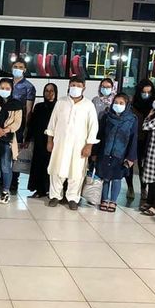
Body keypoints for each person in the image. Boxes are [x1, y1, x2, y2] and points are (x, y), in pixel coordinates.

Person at [46, 76, 99, 210]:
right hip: (60, 144)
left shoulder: (88, 105)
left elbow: (93, 127)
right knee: (57, 170)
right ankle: (55, 196)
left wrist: (89, 146)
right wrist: (50, 141)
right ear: (69, 86)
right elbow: (52, 123)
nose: (75, 88)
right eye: (73, 85)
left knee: (76, 172)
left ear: (84, 88)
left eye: (79, 86)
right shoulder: (61, 102)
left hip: (79, 146)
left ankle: (73, 198)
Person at [95, 93, 138, 212]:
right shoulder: (106, 117)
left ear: (127, 105)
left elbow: (133, 139)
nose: (118, 105)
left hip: (121, 154)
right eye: (116, 102)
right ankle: (104, 200)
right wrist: (95, 152)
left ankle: (113, 201)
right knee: (105, 177)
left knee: (116, 178)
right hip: (105, 152)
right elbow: (100, 135)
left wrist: (131, 157)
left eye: (121, 103)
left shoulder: (132, 119)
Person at [0, 78, 23, 204]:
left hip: (7, 141)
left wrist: (3, 131)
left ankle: (5, 192)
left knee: (6, 168)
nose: (4, 90)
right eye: (2, 88)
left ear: (12, 90)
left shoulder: (17, 105)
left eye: (7, 88)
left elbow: (17, 123)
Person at [128, 79, 155, 204]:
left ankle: (143, 188)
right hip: (133, 138)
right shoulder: (132, 105)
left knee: (143, 166)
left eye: (149, 92)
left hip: (146, 140)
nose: (146, 95)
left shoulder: (154, 106)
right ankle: (130, 187)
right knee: (129, 164)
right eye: (144, 92)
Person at [27, 83, 58, 198]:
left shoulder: (58, 106)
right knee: (39, 165)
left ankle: (51, 190)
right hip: (40, 141)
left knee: (51, 165)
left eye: (52, 91)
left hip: (54, 141)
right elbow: (33, 124)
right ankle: (39, 189)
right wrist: (28, 138)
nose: (49, 93)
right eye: (47, 91)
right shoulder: (39, 107)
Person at [10, 58, 36, 193]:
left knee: (16, 153)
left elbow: (29, 109)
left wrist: (26, 127)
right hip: (5, 123)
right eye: (15, 66)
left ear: (25, 70)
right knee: (5, 152)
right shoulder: (7, 83)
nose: (18, 69)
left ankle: (14, 180)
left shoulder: (29, 87)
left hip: (19, 125)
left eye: (20, 67)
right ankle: (3, 178)